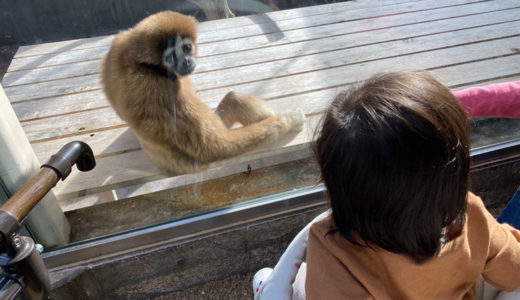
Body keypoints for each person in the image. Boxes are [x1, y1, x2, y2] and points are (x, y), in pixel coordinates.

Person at [305, 71, 520, 299]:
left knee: (270, 278)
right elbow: (513, 271)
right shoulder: (470, 215)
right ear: (454, 176)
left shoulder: (332, 250)